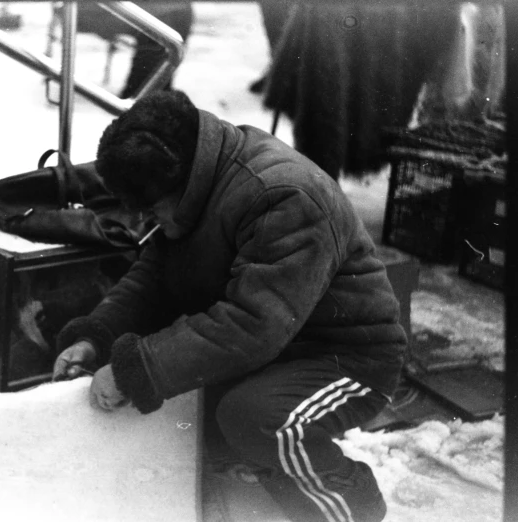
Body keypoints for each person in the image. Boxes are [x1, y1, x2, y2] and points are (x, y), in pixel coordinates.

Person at [52, 91, 406, 522]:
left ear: (179, 184)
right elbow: (153, 281)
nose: (146, 222)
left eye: (151, 210)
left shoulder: (284, 194)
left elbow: (255, 324)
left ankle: (353, 508)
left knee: (256, 419)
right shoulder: (194, 181)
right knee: (202, 417)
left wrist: (136, 369)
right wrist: (96, 336)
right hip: (277, 350)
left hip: (346, 357)